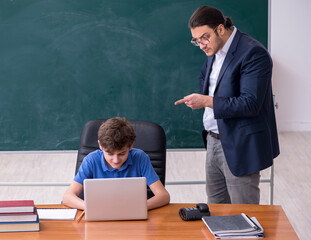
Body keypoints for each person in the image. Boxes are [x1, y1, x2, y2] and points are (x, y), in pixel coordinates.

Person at [174, 6, 279, 204]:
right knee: (215, 208)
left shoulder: (253, 53)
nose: (202, 45)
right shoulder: (214, 50)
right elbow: (209, 82)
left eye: (204, 37)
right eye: (196, 40)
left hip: (240, 144)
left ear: (220, 29)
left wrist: (205, 101)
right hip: (213, 140)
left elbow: (250, 104)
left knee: (244, 213)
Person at [62, 117, 170, 210]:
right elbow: (67, 197)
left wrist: (138, 207)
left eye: (122, 154)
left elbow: (164, 196)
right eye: (109, 154)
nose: (116, 160)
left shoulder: (140, 158)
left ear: (131, 146)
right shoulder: (91, 160)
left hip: (133, 218)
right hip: (99, 218)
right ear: (100, 145)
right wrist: (90, 207)